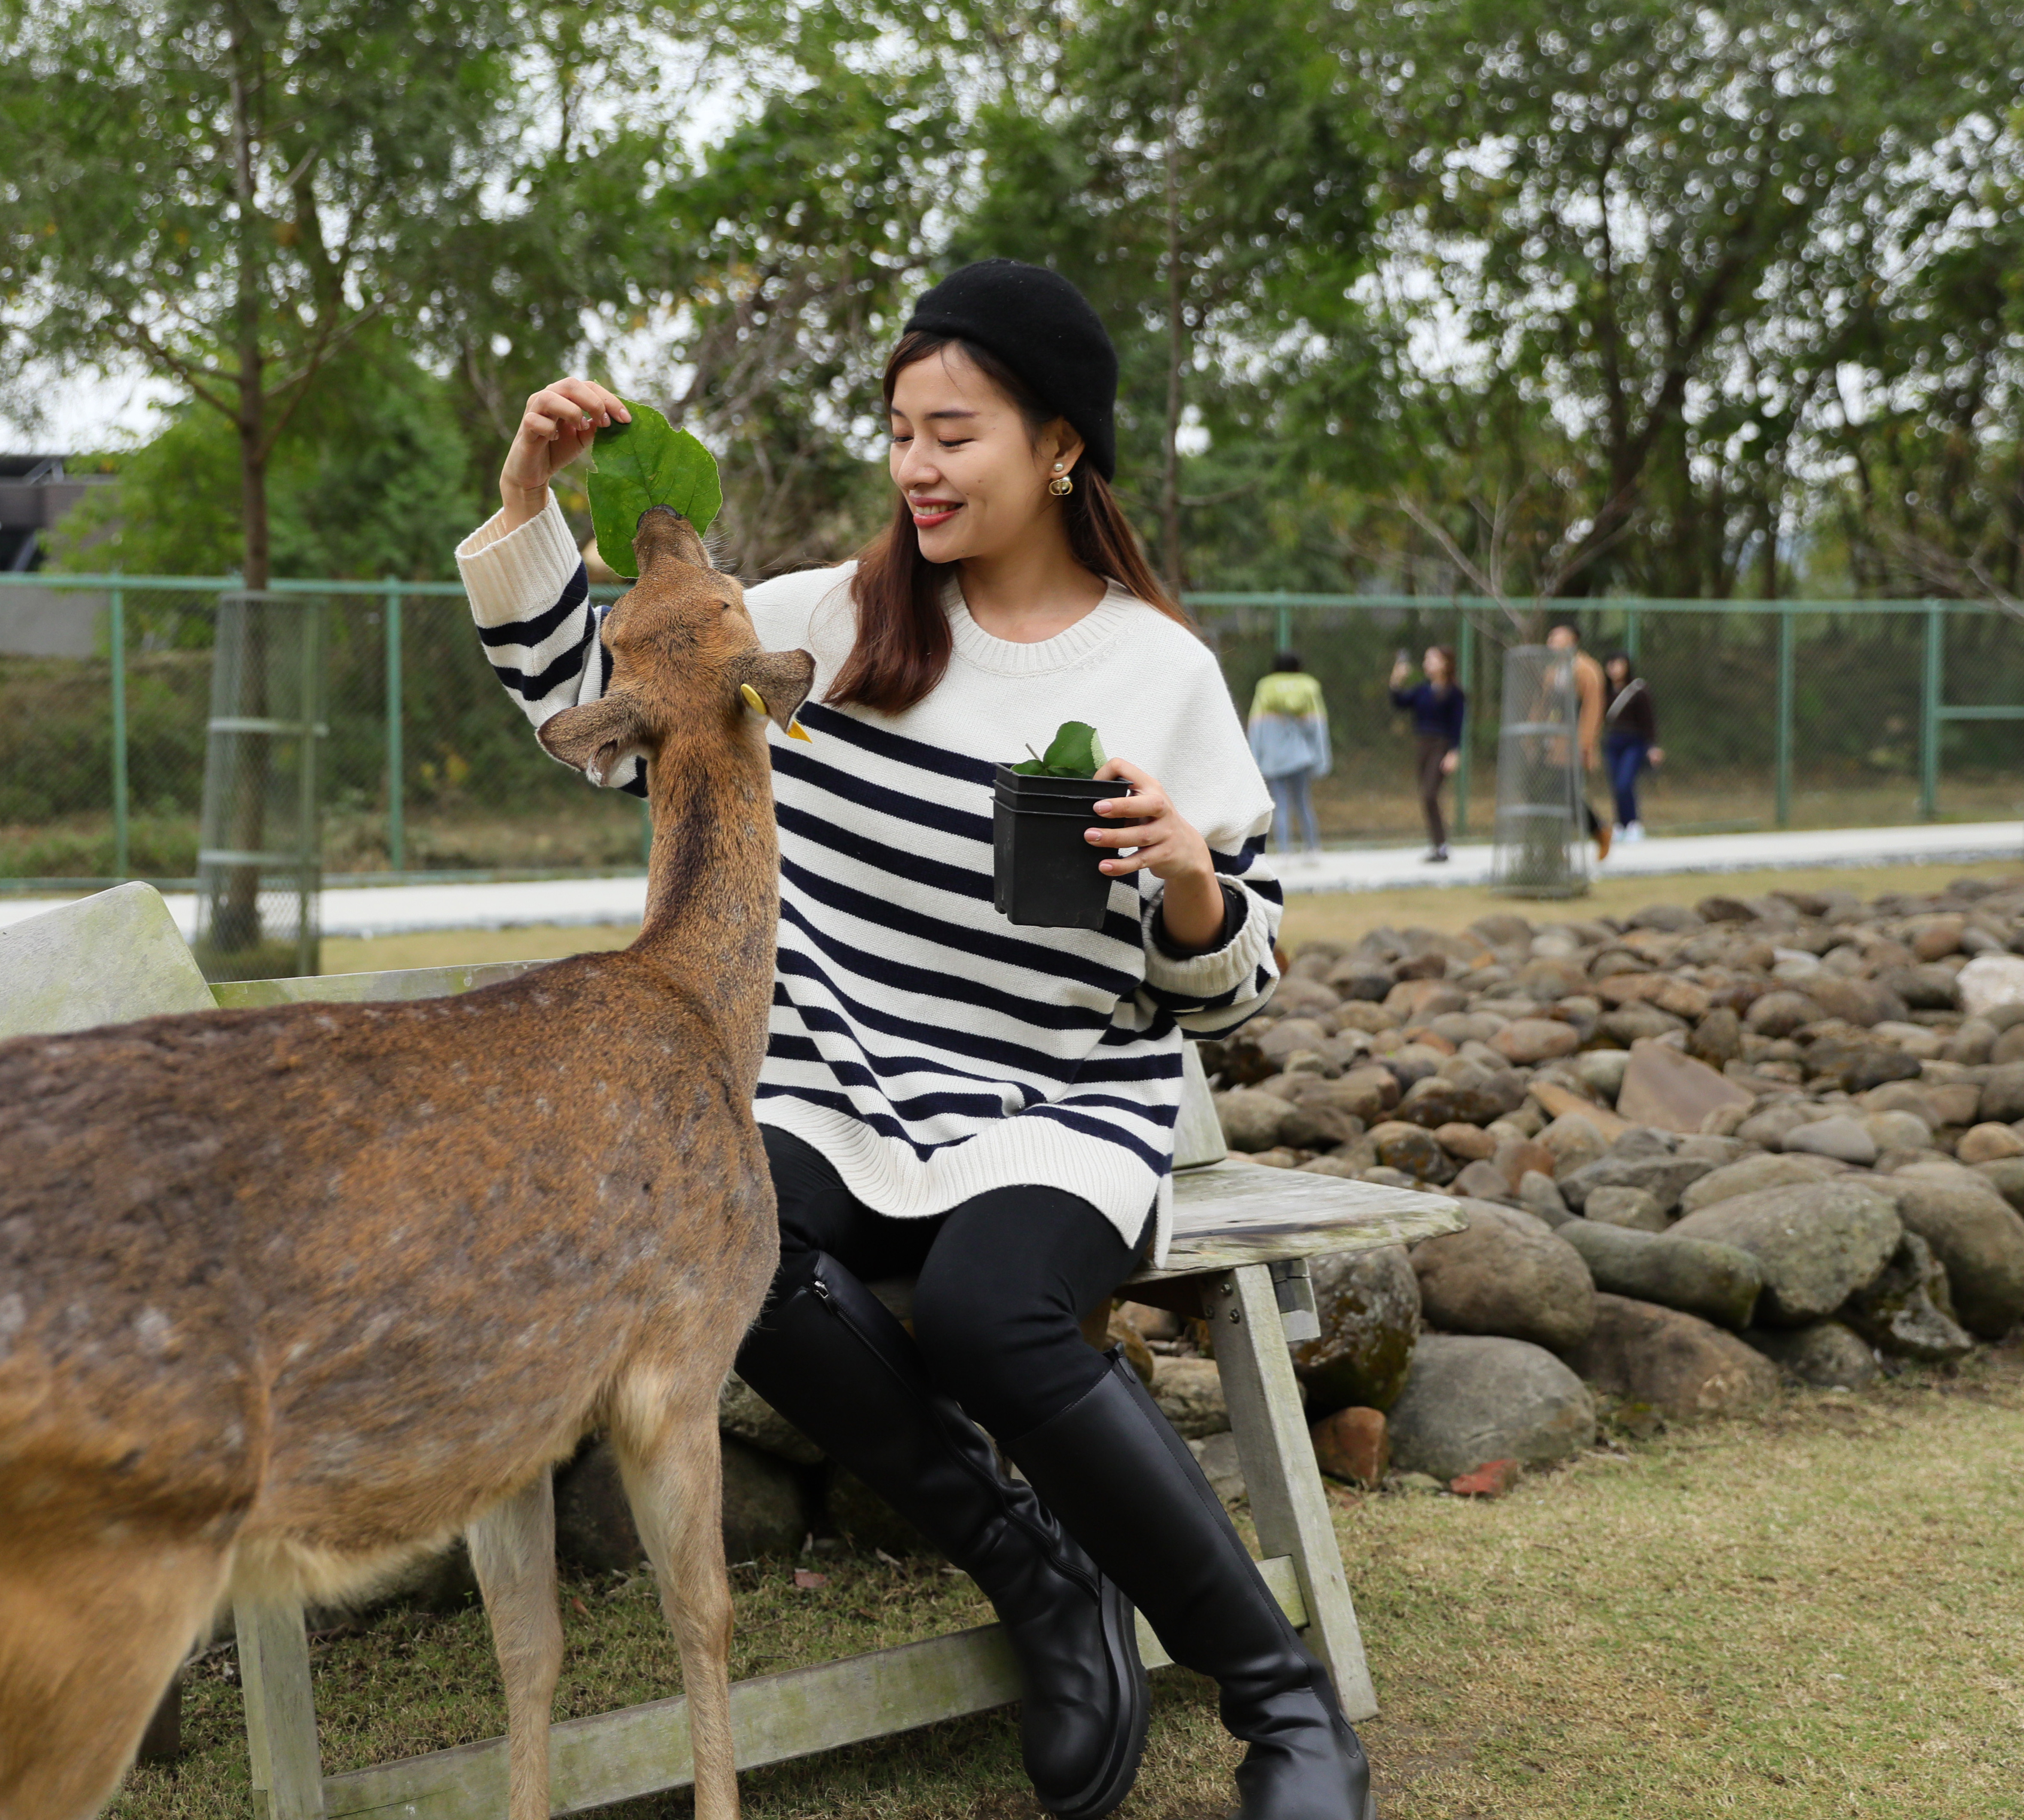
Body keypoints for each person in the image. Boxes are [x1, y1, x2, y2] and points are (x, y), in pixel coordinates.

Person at [460, 259, 1366, 1820]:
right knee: (716, 1247)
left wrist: (1193, 884)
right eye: (898, 430)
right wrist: (532, 500)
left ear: (1061, 445)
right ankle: (1037, 1576)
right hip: (829, 1077)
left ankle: (1285, 1706)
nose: (916, 466)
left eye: (954, 431)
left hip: (1054, 1096)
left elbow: (1232, 988)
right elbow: (594, 707)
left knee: (992, 1310)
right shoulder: (823, 618)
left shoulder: (1159, 674)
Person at [1246, 652, 1331, 862]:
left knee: (1280, 805)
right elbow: (1317, 727)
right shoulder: (1309, 686)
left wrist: (1255, 757)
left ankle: (1285, 852)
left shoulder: (1265, 687)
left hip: (1274, 759)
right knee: (1303, 803)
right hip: (1301, 758)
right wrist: (1321, 757)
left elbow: (1256, 727)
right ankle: (1312, 850)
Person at [1388, 644, 1465, 862]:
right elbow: (1400, 703)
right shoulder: (1422, 690)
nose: (1427, 663)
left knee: (1430, 794)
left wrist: (1454, 752)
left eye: (1432, 659)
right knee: (1427, 798)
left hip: (1441, 746)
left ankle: (1441, 846)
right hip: (1422, 745)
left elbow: (1457, 725)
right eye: (1426, 659)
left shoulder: (1455, 693)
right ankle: (1438, 845)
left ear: (1446, 663)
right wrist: (1397, 680)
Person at [1546, 620, 1611, 862]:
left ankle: (1599, 830)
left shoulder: (1586, 669)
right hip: (1552, 743)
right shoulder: (1553, 670)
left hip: (1573, 745)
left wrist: (1585, 745)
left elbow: (1592, 710)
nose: (1550, 641)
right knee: (1553, 794)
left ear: (1572, 640)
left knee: (1569, 794)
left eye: (1556, 636)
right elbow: (1543, 705)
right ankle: (1555, 847)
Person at [1600, 650, 1661, 841]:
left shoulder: (1638, 689)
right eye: (1611, 664)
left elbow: (1648, 720)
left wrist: (1653, 746)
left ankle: (1634, 823)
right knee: (1616, 785)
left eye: (1618, 664)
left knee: (1625, 782)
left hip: (1634, 742)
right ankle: (1621, 824)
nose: (1614, 668)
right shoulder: (1605, 690)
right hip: (1613, 741)